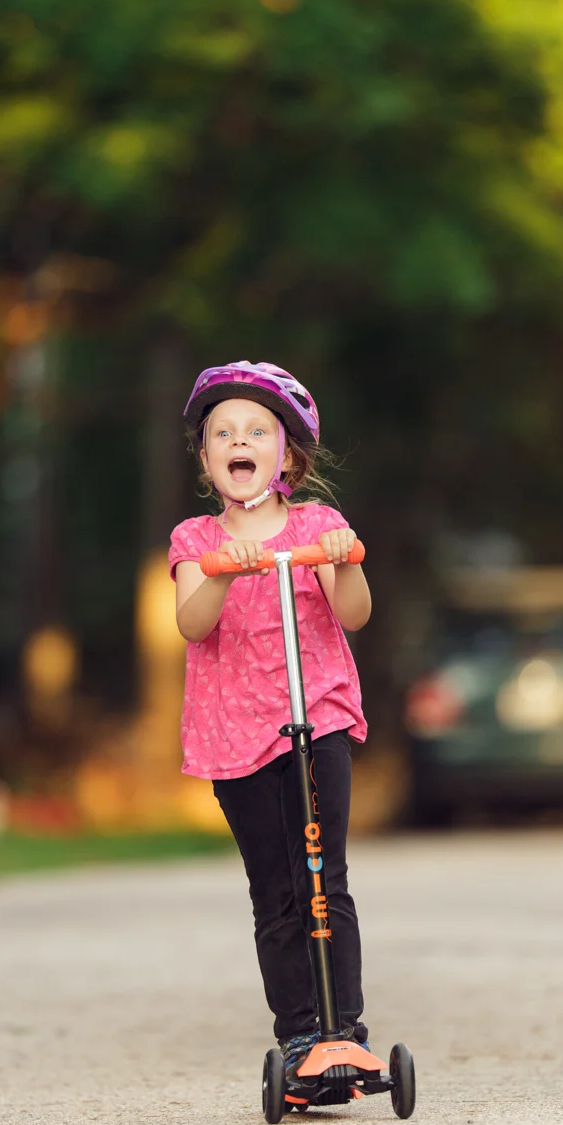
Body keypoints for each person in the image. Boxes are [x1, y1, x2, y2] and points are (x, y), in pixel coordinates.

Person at [169, 361, 372, 1074]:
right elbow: (192, 624)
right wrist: (222, 571)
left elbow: (354, 614)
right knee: (276, 890)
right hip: (234, 734)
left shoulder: (319, 526)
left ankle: (346, 1027)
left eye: (257, 431)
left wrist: (345, 561)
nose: (239, 441)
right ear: (206, 459)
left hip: (317, 720)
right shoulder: (195, 540)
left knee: (324, 876)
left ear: (286, 456)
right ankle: (299, 1032)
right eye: (223, 433)